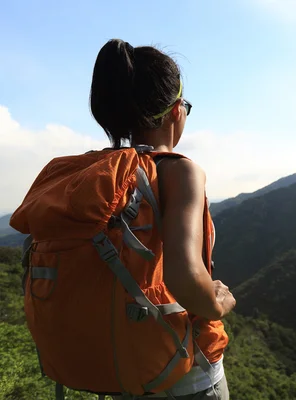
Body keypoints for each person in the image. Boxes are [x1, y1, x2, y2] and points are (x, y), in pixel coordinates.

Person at [90, 39, 237, 399]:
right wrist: (218, 301)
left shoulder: (99, 174)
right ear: (176, 111)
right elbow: (184, 277)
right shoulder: (180, 172)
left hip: (123, 368)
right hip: (184, 372)